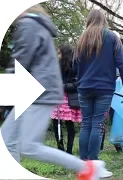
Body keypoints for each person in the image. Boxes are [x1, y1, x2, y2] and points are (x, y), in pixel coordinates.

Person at [0, 4, 109, 179]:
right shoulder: (36, 24)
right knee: (7, 141)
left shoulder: (29, 24)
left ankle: (86, 167)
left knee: (28, 146)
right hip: (33, 91)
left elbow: (20, 64)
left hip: (36, 93)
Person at [74, 9, 123, 163]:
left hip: (84, 87)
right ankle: (93, 162)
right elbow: (122, 66)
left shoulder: (81, 38)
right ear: (104, 20)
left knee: (86, 123)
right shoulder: (112, 37)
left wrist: (80, 81)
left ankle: (83, 162)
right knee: (97, 123)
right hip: (104, 88)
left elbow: (75, 65)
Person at [51, 44, 81, 155]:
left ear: (64, 53)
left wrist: (63, 86)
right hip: (59, 96)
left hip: (68, 97)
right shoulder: (56, 65)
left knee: (67, 123)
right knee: (59, 122)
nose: (57, 55)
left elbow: (78, 82)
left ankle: (67, 150)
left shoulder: (75, 65)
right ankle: (63, 149)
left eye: (59, 53)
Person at [100, 69, 123, 153]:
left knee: (115, 119)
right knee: (100, 120)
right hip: (104, 91)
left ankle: (118, 145)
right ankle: (99, 145)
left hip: (114, 92)